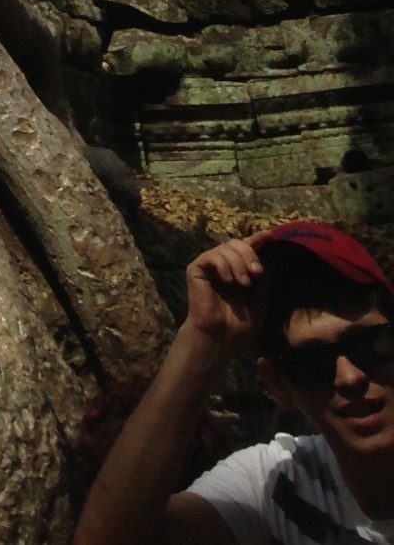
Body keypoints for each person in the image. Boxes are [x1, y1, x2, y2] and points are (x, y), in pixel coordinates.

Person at [74, 221, 394, 543]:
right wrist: (202, 339)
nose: (349, 377)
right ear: (278, 386)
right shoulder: (276, 483)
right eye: (312, 365)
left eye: (371, 346)